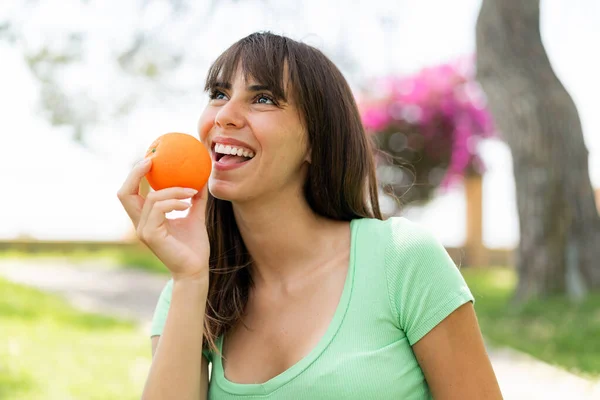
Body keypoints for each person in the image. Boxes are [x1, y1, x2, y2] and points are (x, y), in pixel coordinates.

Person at [118, 31, 503, 400]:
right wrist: (188, 279)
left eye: (264, 98)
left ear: (316, 142)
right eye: (219, 94)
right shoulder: (192, 289)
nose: (225, 116)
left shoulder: (401, 259)